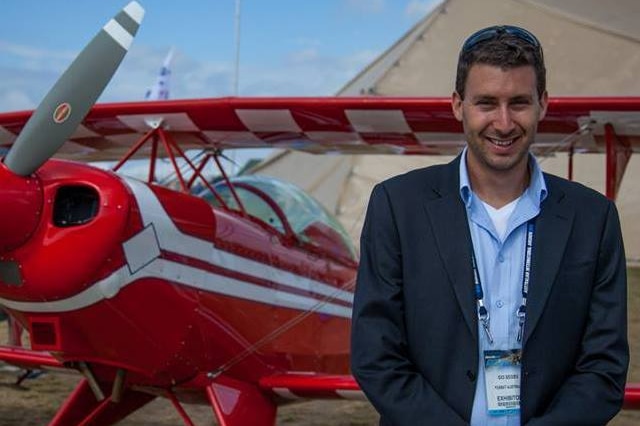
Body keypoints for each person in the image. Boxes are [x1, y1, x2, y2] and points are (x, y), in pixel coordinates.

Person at [351, 25, 628, 425]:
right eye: (486, 103)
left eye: (519, 102)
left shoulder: (593, 218)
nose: (503, 123)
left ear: (543, 104)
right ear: (457, 105)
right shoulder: (397, 206)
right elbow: (375, 354)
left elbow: (604, 367)